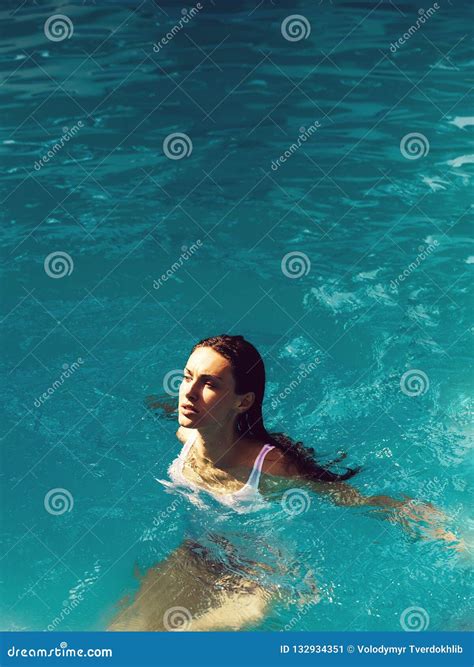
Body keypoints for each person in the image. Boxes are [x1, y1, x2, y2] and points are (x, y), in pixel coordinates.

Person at [108, 334, 463, 632]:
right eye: (187, 377)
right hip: (194, 557)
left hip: (255, 580)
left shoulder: (273, 467)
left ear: (243, 401)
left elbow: (356, 500)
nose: (188, 393)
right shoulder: (187, 435)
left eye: (209, 384)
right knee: (119, 635)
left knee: (174, 640)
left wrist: (447, 534)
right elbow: (170, 408)